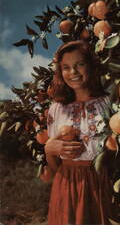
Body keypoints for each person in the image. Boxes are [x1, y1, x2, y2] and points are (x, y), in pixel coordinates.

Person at [44, 40, 113, 225]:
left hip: (100, 184)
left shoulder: (108, 103)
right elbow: (54, 166)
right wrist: (48, 149)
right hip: (66, 185)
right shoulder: (57, 109)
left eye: (79, 65)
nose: (73, 72)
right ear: (60, 71)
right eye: (66, 67)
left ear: (90, 65)